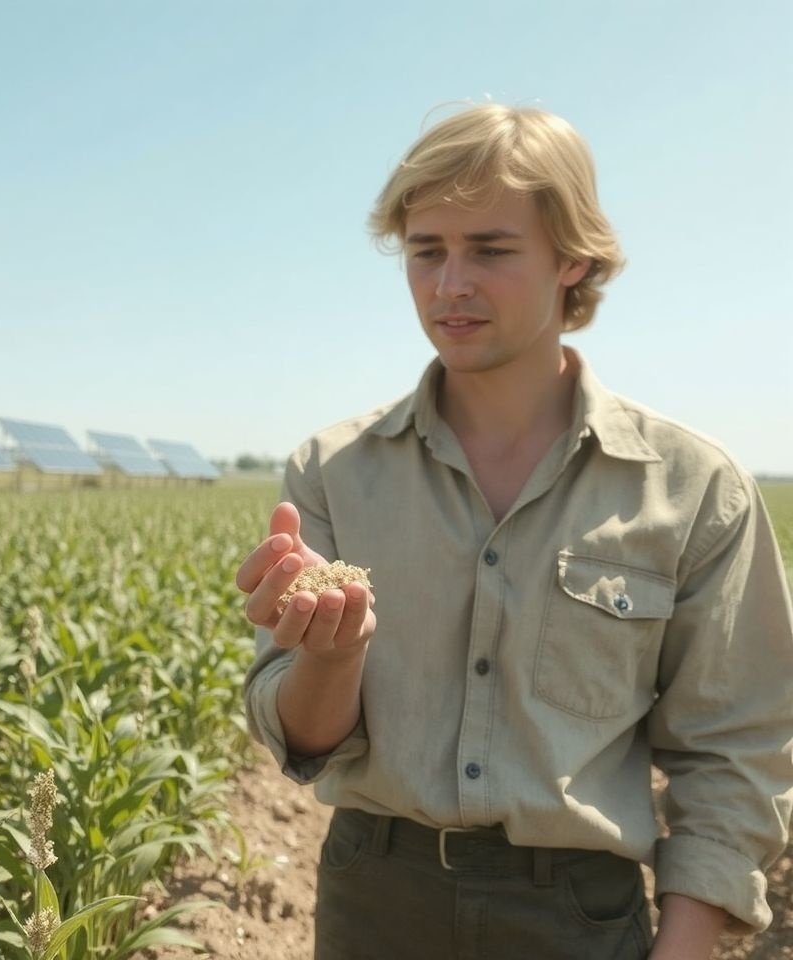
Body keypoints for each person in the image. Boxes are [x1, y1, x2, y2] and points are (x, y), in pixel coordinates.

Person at [236, 103, 793, 960]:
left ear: (572, 258)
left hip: (575, 915)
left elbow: (733, 755)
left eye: (490, 250)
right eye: (427, 251)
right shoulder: (333, 470)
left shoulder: (694, 489)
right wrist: (332, 655)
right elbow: (302, 740)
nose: (449, 283)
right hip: (373, 898)